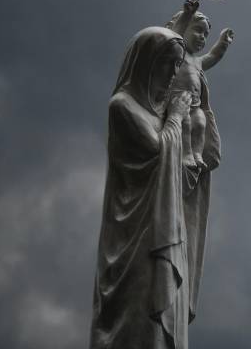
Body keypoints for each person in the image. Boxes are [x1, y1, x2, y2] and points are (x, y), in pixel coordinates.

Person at [90, 26, 194, 349]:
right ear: (147, 62)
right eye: (167, 63)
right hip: (135, 238)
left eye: (177, 65)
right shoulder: (123, 107)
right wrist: (176, 117)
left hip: (163, 230)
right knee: (137, 318)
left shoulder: (159, 114)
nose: (173, 73)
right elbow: (156, 149)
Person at [165, 0, 235, 173]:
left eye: (205, 35)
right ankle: (186, 154)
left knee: (200, 123)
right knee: (186, 124)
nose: (202, 38)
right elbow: (172, 38)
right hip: (178, 102)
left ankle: (197, 154)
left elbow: (213, 56)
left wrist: (223, 42)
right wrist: (187, 15)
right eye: (198, 30)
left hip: (195, 105)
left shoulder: (197, 62)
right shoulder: (177, 54)